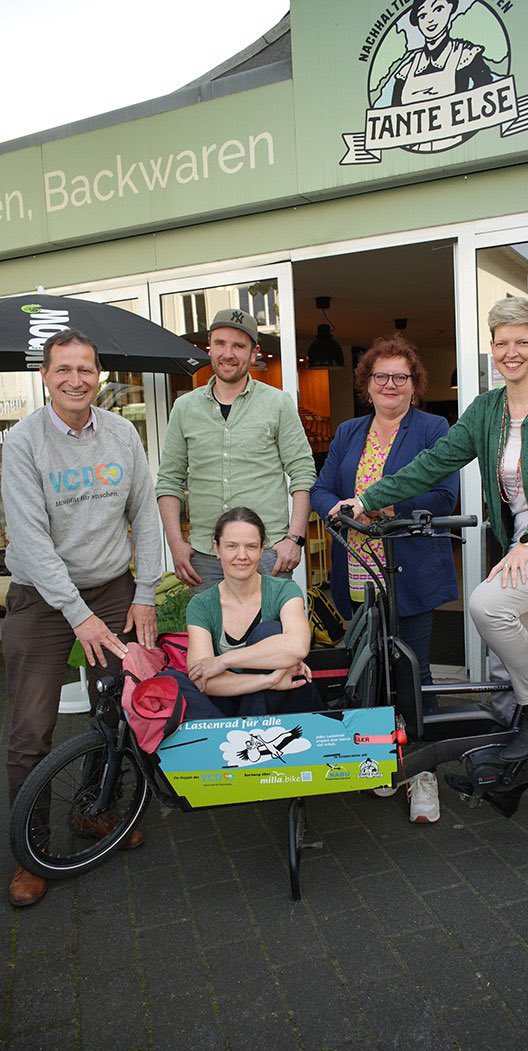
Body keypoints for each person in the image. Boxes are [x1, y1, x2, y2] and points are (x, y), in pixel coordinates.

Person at [331, 298, 528, 761]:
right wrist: (367, 499)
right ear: (491, 348)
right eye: (502, 342)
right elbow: (433, 464)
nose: (512, 351)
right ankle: (513, 760)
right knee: (506, 659)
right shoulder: (487, 409)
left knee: (486, 604)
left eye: (522, 341)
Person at [3, 329, 162, 907]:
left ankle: (95, 810)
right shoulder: (23, 443)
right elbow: (29, 537)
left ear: (99, 375)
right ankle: (31, 848)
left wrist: (144, 592)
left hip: (114, 590)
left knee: (118, 707)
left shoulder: (122, 433)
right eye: (63, 369)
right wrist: (77, 615)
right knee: (30, 730)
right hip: (43, 600)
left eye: (86, 369)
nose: (76, 379)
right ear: (45, 376)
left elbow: (145, 514)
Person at [311, 334, 459, 823]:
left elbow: (444, 498)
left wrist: (386, 505)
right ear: (366, 385)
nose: (391, 384)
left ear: (414, 385)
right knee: (370, 672)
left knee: (412, 672)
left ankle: (424, 777)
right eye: (381, 377)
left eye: (401, 376)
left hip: (408, 573)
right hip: (354, 572)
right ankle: (380, 763)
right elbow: (321, 487)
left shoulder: (433, 427)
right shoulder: (350, 431)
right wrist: (332, 507)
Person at [156, 308, 316, 592]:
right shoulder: (184, 408)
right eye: (220, 343)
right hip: (205, 555)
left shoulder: (278, 403)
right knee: (212, 636)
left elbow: (302, 472)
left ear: (253, 353)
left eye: (238, 346)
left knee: (271, 635)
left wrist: (295, 538)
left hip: (266, 552)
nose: (228, 353)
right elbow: (169, 480)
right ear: (210, 347)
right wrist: (175, 544)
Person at [183, 508, 320, 715]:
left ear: (262, 549)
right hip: (238, 700)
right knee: (178, 684)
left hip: (287, 706)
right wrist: (268, 680)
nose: (242, 556)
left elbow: (297, 647)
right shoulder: (201, 604)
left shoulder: (283, 590)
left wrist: (223, 661)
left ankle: (246, 737)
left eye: (251, 546)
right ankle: (249, 731)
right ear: (217, 549)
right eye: (231, 546)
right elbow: (204, 679)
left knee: (269, 631)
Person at [390, 0, 494, 152]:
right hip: (417, 151)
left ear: (450, 10)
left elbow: (487, 96)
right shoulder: (407, 69)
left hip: (458, 146)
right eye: (423, 15)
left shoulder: (465, 54)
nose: (430, 19)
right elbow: (393, 115)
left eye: (438, 9)